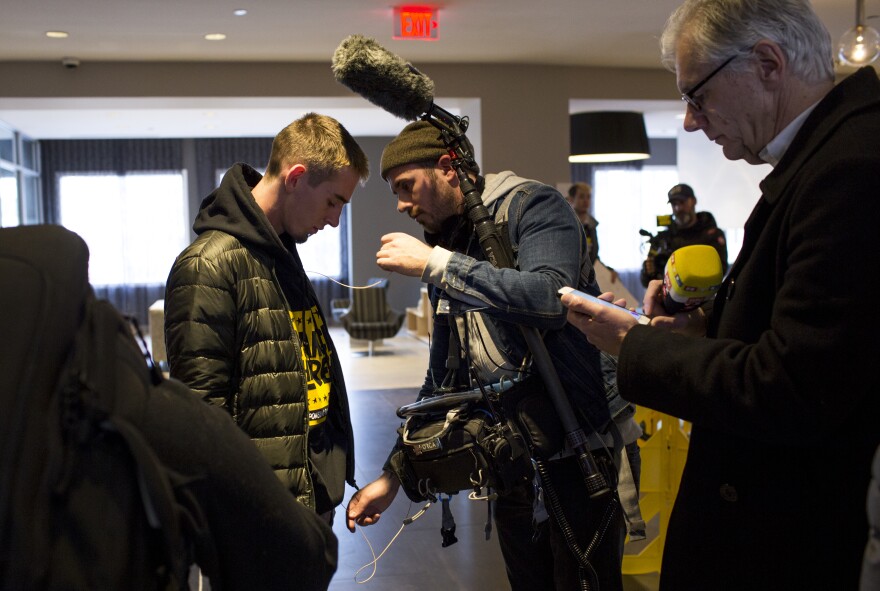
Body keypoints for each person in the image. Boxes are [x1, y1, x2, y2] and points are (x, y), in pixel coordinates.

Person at [560, 1, 880, 590]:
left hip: (791, 542)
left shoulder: (852, 166)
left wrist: (633, 344)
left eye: (697, 95)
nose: (688, 121)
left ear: (766, 63)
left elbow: (794, 388)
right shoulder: (825, 157)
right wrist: (707, 333)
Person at [346, 120, 633, 591]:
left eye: (406, 186)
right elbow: (441, 381)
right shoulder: (452, 243)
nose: (400, 204)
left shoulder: (533, 205)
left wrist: (437, 265)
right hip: (513, 457)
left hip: (580, 443)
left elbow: (548, 299)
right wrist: (394, 475)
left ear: (448, 169)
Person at [164, 112, 369, 523]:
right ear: (295, 178)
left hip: (308, 494)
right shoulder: (209, 264)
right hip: (260, 512)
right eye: (333, 202)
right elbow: (203, 417)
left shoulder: (282, 254)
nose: (334, 221)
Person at [639, 182, 728, 287]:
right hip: (670, 300)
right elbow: (647, 282)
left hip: (705, 296)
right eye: (674, 204)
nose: (678, 208)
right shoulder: (663, 239)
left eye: (682, 202)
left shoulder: (712, 234)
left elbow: (721, 270)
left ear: (694, 201)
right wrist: (648, 271)